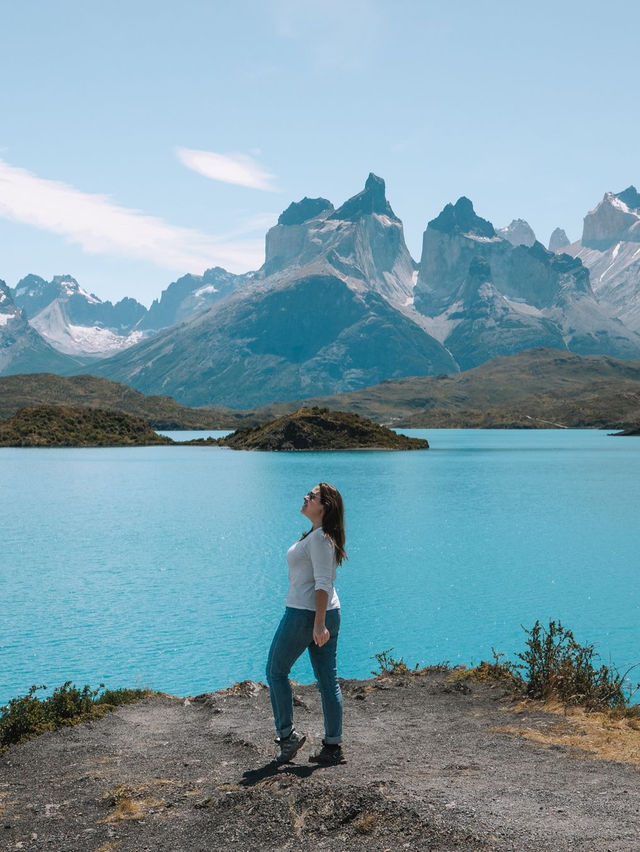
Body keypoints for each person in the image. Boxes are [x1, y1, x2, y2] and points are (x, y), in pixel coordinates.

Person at [266, 481, 347, 765]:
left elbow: (324, 584)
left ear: (323, 506)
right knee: (327, 680)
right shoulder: (316, 536)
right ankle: (332, 747)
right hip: (320, 615)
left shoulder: (321, 538)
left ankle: (287, 737)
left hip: (305, 614)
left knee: (276, 671)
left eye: (311, 496)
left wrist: (319, 624)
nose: (305, 497)